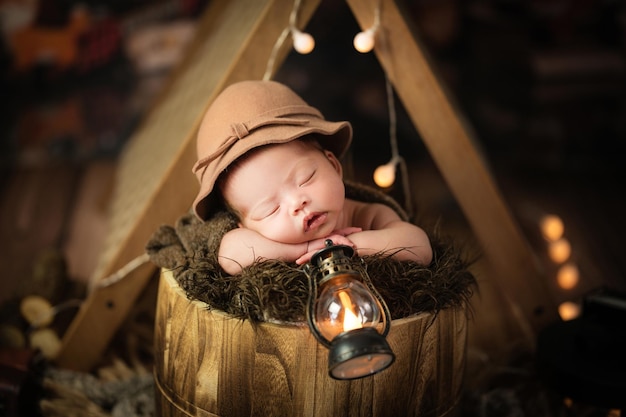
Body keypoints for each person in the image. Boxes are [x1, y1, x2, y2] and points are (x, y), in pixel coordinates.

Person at [192, 80, 432, 275]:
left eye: (305, 179)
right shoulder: (256, 239)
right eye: (270, 209)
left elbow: (419, 246)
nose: (297, 203)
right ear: (246, 226)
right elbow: (230, 255)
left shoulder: (366, 215)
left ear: (333, 165)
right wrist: (305, 249)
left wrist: (343, 247)